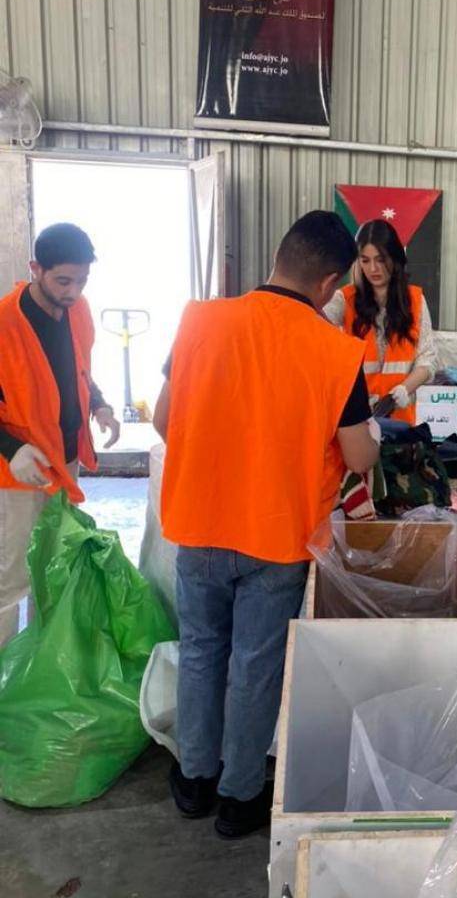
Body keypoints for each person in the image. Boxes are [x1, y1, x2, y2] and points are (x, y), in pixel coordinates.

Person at [154, 210, 379, 839]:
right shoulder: (337, 353)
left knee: (201, 651)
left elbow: (165, 421)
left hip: (199, 522)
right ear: (330, 283)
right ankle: (239, 798)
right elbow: (359, 456)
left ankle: (194, 781)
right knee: (255, 666)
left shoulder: (199, 321)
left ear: (279, 257)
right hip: (278, 537)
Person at [0, 223, 120, 646]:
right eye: (63, 281)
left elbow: (79, 370)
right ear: (36, 269)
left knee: (54, 564)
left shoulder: (78, 310)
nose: (73, 291)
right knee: (11, 575)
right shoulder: (4, 323)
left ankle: (43, 660)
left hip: (64, 461)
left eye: (82, 281)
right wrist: (11, 448)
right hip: (18, 471)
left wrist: (99, 405)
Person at [324, 219, 437, 423]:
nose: (373, 268)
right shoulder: (343, 300)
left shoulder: (415, 300)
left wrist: (404, 389)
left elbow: (427, 360)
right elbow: (312, 323)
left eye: (381, 259)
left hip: (400, 423)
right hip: (357, 421)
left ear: (395, 258)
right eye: (365, 260)